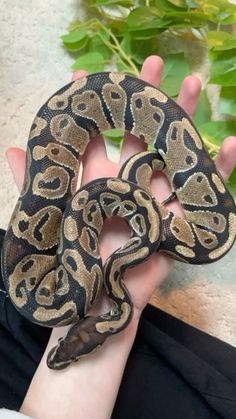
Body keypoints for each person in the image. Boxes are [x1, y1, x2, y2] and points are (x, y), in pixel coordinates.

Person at [0, 55, 236, 419]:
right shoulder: (95, 279)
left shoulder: (100, 283)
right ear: (90, 333)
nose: (63, 356)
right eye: (75, 349)